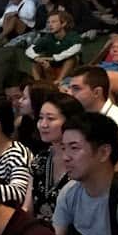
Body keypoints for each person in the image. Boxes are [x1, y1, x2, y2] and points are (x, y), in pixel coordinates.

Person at [67, 65, 118, 184]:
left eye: (76, 89)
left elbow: (116, 171)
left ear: (96, 92)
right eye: (69, 88)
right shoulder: (82, 118)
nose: (70, 94)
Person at [26, 92, 84, 222]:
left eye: (50, 119)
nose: (43, 124)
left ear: (70, 121)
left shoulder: (82, 162)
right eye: (41, 118)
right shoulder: (40, 160)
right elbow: (27, 208)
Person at [27, 10, 83, 81]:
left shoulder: (72, 36)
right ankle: (38, 83)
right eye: (48, 22)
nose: (50, 25)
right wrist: (36, 58)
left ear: (63, 23)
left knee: (71, 59)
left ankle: (58, 82)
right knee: (35, 61)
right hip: (50, 68)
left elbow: (76, 48)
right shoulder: (47, 37)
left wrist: (54, 58)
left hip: (68, 71)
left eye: (53, 22)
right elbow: (29, 50)